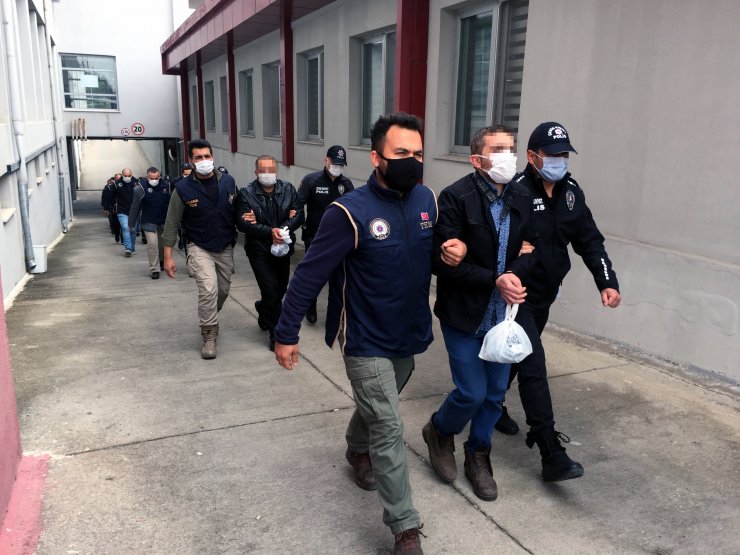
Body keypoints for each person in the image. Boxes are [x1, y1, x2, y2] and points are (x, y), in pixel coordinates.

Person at [273, 113, 466, 555]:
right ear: (377, 157)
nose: (412, 161)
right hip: (363, 337)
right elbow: (308, 276)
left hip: (409, 332)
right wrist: (287, 333)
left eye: (418, 153)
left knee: (379, 406)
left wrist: (448, 254)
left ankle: (355, 449)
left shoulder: (427, 201)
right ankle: (405, 529)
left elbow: (426, 258)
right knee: (389, 424)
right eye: (402, 154)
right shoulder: (349, 213)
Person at [497, 121, 621, 482]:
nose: (559, 161)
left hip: (545, 296)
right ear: (532, 156)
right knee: (533, 363)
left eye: (564, 154)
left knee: (518, 360)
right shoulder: (515, 192)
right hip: (517, 296)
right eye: (552, 155)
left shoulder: (571, 192)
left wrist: (606, 280)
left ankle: (492, 403)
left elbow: (589, 239)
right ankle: (550, 449)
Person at [421, 125, 538, 501]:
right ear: (477, 159)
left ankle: (478, 453)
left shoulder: (522, 195)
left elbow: (531, 250)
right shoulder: (457, 197)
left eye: (512, 149)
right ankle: (440, 431)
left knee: (495, 394)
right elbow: (444, 263)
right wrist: (496, 279)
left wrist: (514, 277)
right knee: (471, 392)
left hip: (503, 315)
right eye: (499, 149)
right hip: (463, 313)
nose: (510, 156)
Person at [162, 139, 238, 359]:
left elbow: (239, 208)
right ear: (190, 160)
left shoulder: (228, 181)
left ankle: (210, 314)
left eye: (207, 156)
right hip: (198, 245)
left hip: (224, 244)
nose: (204, 161)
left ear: (212, 156)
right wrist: (168, 257)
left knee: (222, 290)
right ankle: (209, 335)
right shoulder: (182, 188)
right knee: (208, 288)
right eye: (198, 158)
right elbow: (171, 223)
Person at [235, 156, 304, 351]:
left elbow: (299, 214)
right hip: (259, 251)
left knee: (280, 290)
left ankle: (263, 308)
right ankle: (276, 335)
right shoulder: (247, 194)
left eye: (271, 170)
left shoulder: (288, 189)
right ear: (256, 172)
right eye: (263, 170)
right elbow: (242, 223)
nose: (268, 174)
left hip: (282, 250)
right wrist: (269, 232)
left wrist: (283, 228)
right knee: (271, 291)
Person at [297, 145, 354, 323]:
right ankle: (310, 305)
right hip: (315, 237)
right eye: (334, 163)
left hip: (338, 240)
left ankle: (335, 313)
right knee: (314, 276)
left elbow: (354, 210)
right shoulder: (311, 180)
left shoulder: (346, 184)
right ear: (326, 160)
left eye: (341, 165)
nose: (337, 167)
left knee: (337, 279)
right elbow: (298, 204)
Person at [129, 167, 171, 279]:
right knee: (152, 245)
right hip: (148, 221)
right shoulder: (140, 189)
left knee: (162, 245)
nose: (154, 180)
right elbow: (135, 207)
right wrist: (131, 224)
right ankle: (155, 269)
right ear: (147, 177)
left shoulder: (167, 186)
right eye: (151, 178)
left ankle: (162, 261)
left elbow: (172, 205)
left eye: (156, 178)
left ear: (160, 177)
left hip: (163, 221)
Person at [113, 168, 139, 257]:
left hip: (134, 210)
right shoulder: (117, 184)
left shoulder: (137, 183)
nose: (127, 177)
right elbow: (111, 196)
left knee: (133, 230)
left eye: (129, 175)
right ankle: (128, 248)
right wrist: (107, 207)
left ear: (131, 175)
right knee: (125, 228)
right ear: (122, 175)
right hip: (122, 210)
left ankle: (132, 247)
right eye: (125, 176)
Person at [171, 163, 193, 252]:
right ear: (182, 173)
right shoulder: (176, 182)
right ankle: (182, 238)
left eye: (190, 174)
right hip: (181, 207)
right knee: (181, 227)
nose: (188, 176)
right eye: (186, 174)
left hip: (192, 208)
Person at [101, 177, 121, 243]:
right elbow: (107, 198)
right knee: (115, 222)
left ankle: (123, 238)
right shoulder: (110, 187)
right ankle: (116, 233)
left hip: (123, 207)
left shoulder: (125, 186)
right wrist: (105, 207)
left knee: (123, 224)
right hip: (113, 208)